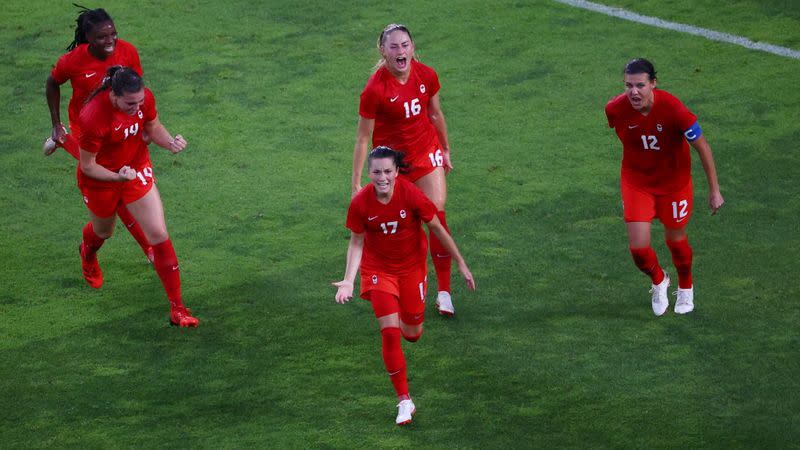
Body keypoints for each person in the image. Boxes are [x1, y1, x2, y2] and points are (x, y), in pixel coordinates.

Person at [333, 146, 476, 425]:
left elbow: (436, 228)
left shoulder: (410, 193)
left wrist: (460, 263)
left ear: (397, 171)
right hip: (379, 271)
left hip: (411, 269)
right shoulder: (361, 203)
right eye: (376, 172)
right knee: (389, 333)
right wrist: (349, 280)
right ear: (369, 173)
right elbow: (357, 241)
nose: (382, 177)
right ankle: (404, 401)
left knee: (412, 334)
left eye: (387, 171)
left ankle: (400, 309)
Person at [77, 66, 198, 327]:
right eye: (130, 103)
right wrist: (117, 177)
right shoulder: (93, 116)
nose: (136, 107)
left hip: (135, 167)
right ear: (114, 96)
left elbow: (153, 126)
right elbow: (88, 165)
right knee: (103, 232)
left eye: (140, 102)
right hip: (101, 179)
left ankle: (178, 309)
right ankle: (87, 252)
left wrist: (169, 142)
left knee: (159, 234)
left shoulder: (144, 99)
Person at [352, 23, 459, 316]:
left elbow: (435, 113)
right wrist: (355, 182)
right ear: (383, 51)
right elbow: (363, 137)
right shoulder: (375, 89)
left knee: (434, 213)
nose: (401, 51)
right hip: (393, 166)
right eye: (394, 46)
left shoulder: (426, 75)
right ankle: (404, 283)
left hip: (426, 152)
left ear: (412, 47)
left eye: (405, 45)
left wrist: (445, 149)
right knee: (399, 226)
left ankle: (445, 292)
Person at [605, 58, 724, 316]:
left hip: (674, 186)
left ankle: (686, 287)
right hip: (637, 183)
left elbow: (702, 146)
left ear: (653, 84)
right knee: (638, 248)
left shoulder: (675, 110)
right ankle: (659, 280)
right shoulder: (615, 109)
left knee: (676, 240)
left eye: (640, 85)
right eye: (628, 86)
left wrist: (714, 190)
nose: (633, 92)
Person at [44, 6, 153, 263]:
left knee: (123, 178)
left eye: (113, 33)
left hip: (119, 124)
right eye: (102, 37)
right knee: (116, 179)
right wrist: (56, 123)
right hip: (88, 128)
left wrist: (146, 126)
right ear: (88, 38)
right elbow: (52, 83)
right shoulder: (72, 61)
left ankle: (62, 142)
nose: (110, 40)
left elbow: (138, 91)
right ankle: (148, 248)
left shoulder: (127, 51)